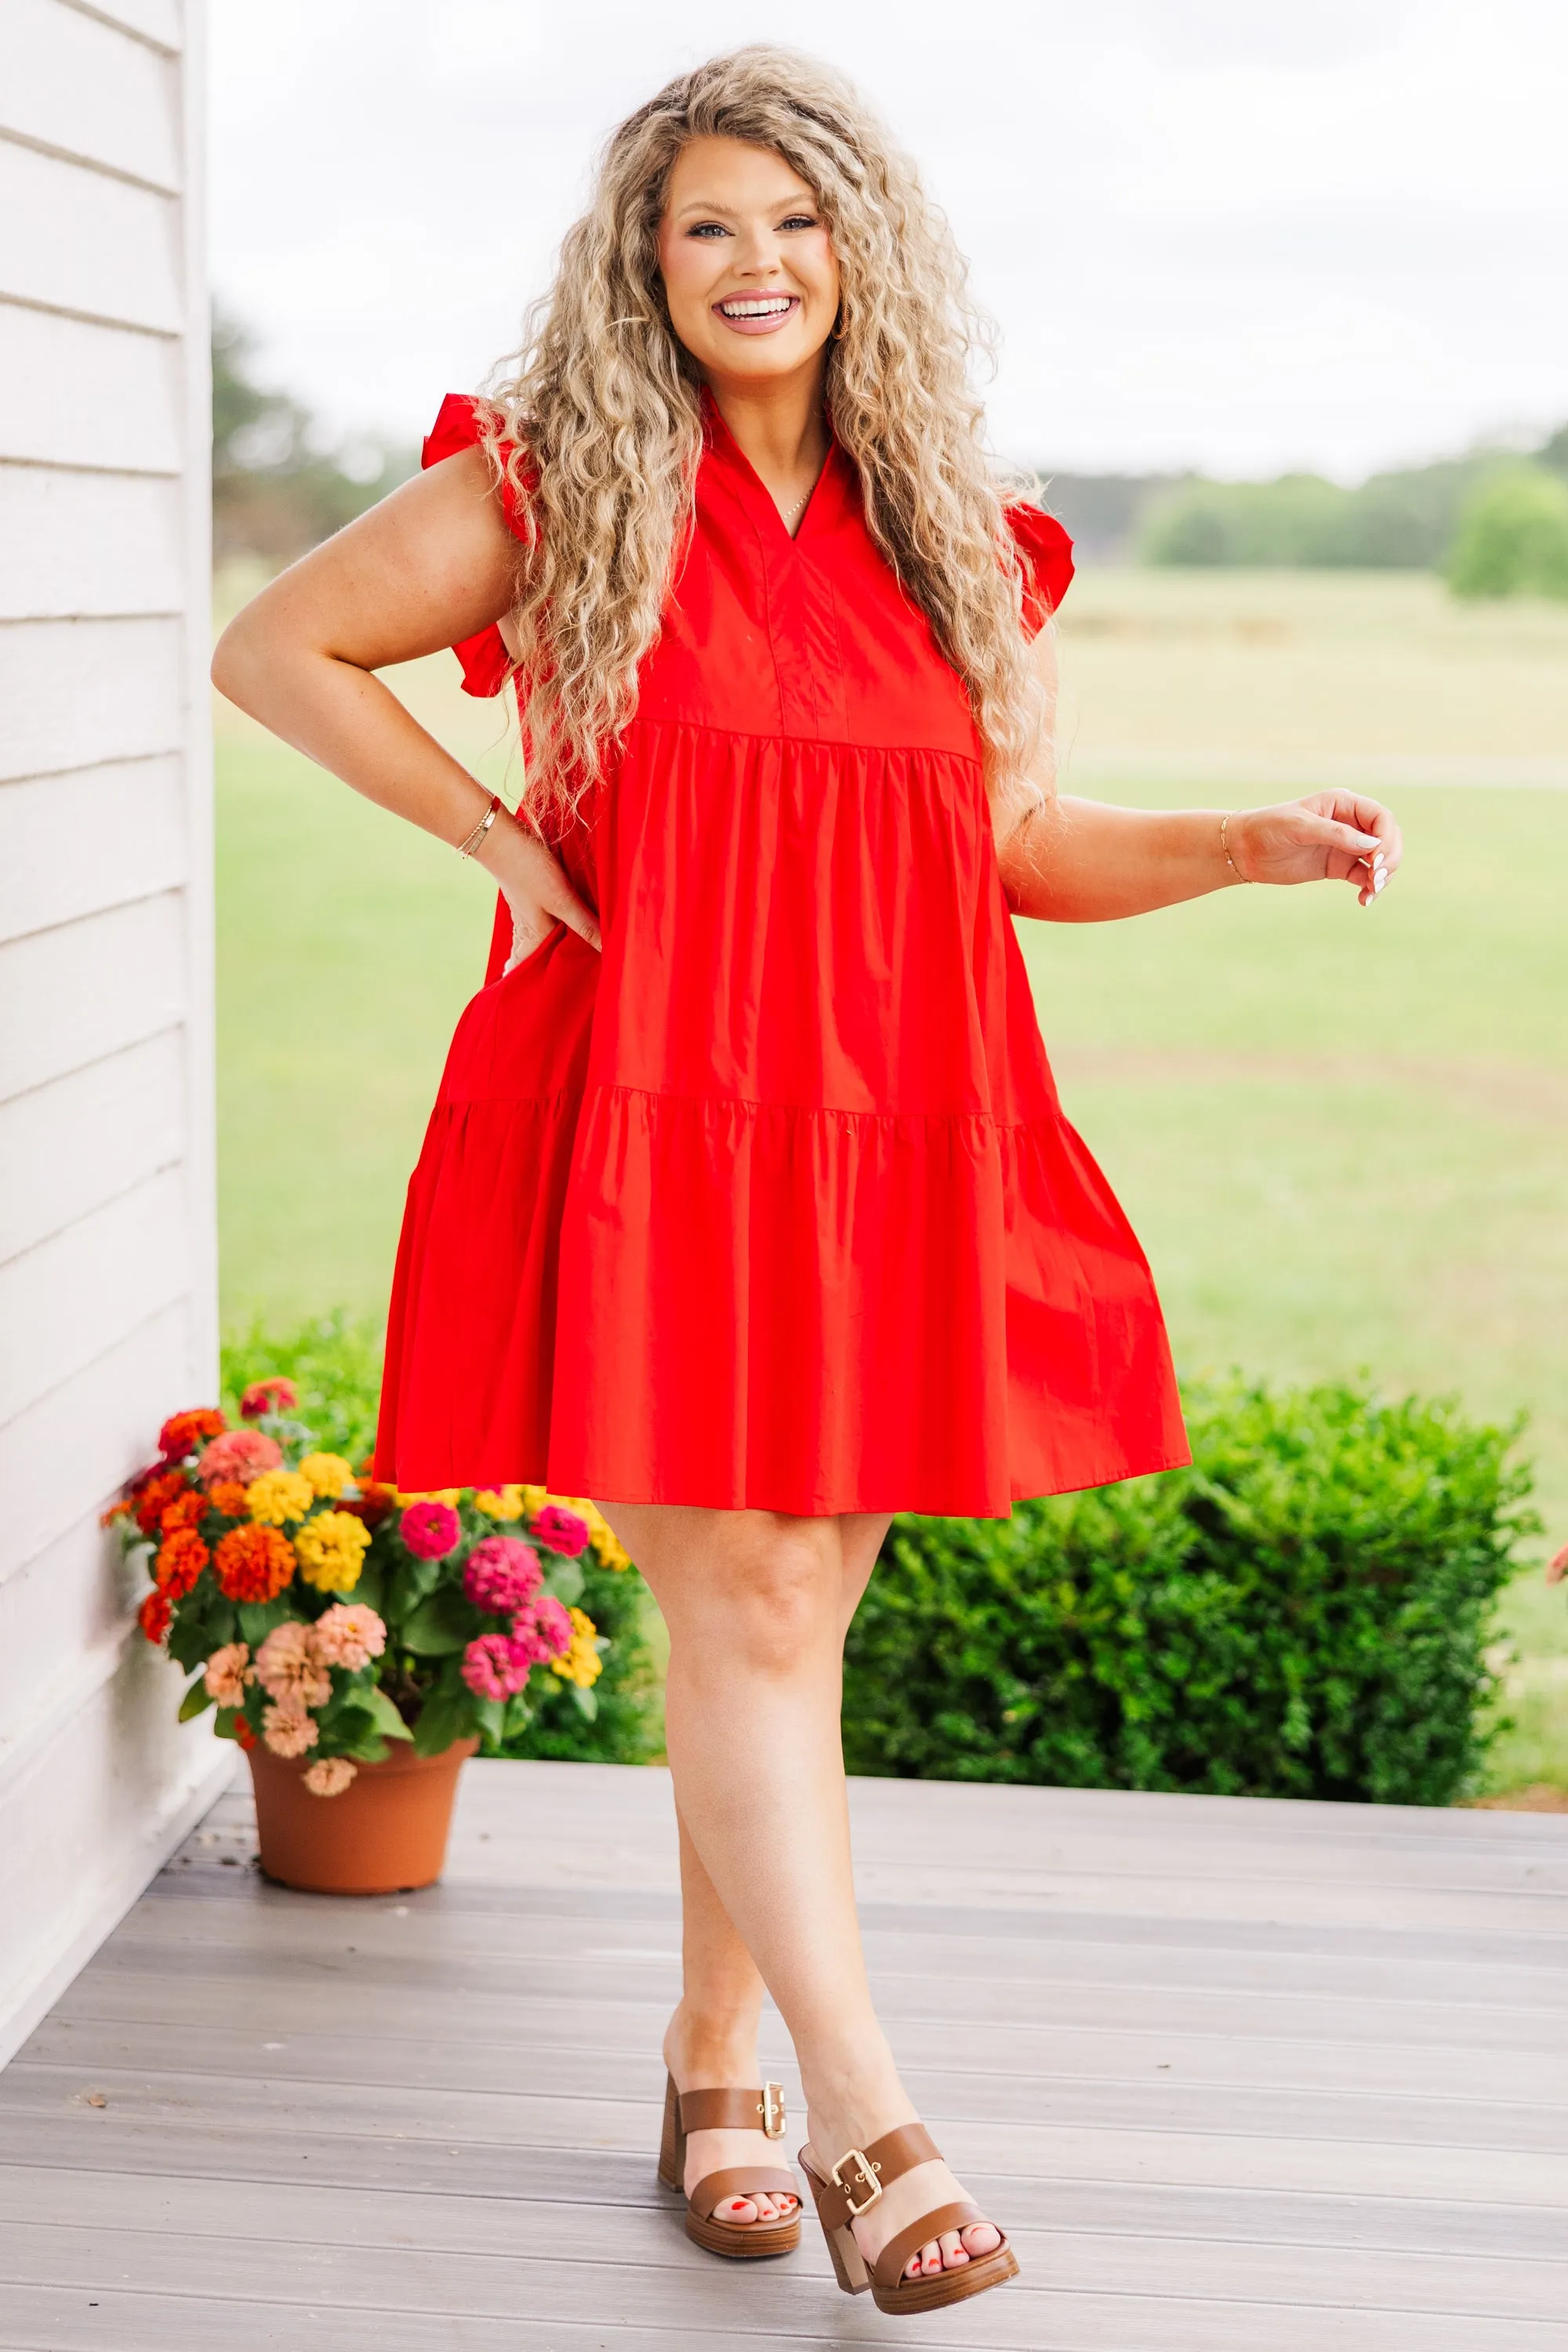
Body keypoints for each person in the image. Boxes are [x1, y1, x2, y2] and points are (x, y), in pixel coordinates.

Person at [212, 45, 1403, 2321]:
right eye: (705, 229)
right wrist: (492, 833)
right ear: (643, 269)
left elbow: (1020, 845)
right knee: (750, 1600)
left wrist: (1243, 841)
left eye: (795, 220)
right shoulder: (558, 492)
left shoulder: (967, 532)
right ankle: (871, 2121)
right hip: (650, 1102)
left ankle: (708, 2065)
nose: (756, 264)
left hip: (889, 1121)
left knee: (780, 1612)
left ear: (863, 250)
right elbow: (278, 648)